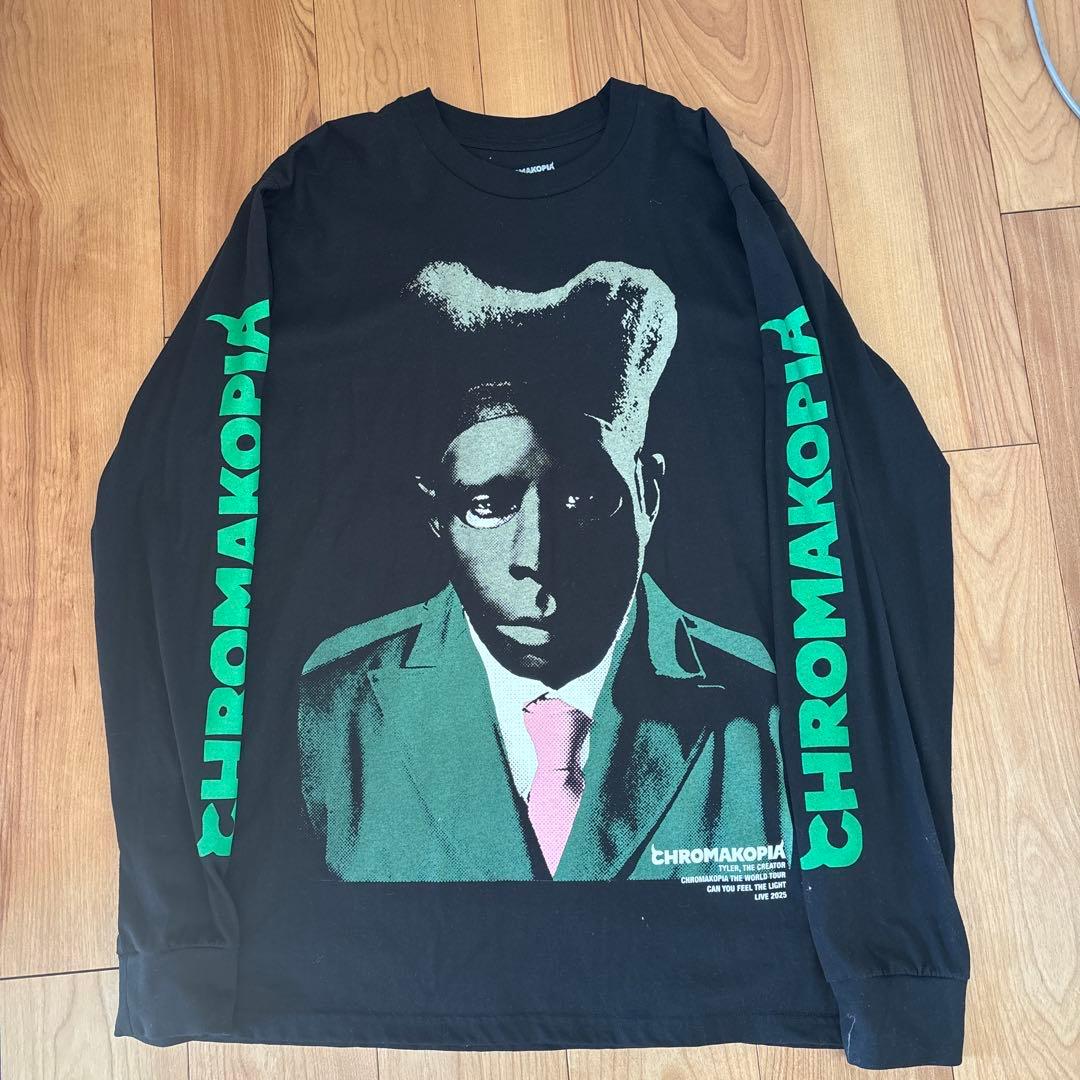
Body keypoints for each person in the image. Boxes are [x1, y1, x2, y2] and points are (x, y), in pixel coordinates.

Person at [297, 259, 792, 881]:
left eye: (584, 500)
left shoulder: (765, 705)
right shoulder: (332, 706)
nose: (535, 556)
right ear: (436, 518)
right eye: (487, 505)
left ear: (647, 495)